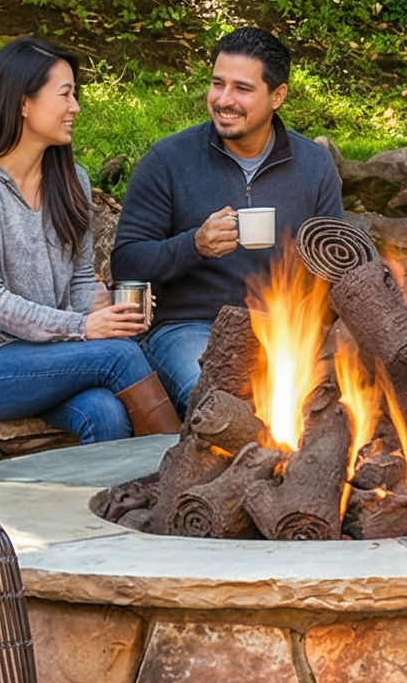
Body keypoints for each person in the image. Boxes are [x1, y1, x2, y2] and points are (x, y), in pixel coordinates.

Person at [0, 38, 179, 442]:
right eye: (65, 94)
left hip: (43, 355)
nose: (75, 107)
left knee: (105, 413)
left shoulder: (70, 178)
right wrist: (83, 327)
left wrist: (109, 314)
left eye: (75, 94)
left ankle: (111, 505)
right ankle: (179, 477)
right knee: (120, 356)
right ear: (23, 103)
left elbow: (77, 281)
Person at [110, 27, 345, 408]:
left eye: (242, 89)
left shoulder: (313, 166)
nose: (224, 100)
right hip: (192, 328)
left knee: (336, 405)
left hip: (287, 330)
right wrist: (194, 245)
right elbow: (126, 263)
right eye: (217, 84)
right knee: (223, 403)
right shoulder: (169, 161)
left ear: (277, 96)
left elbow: (335, 262)